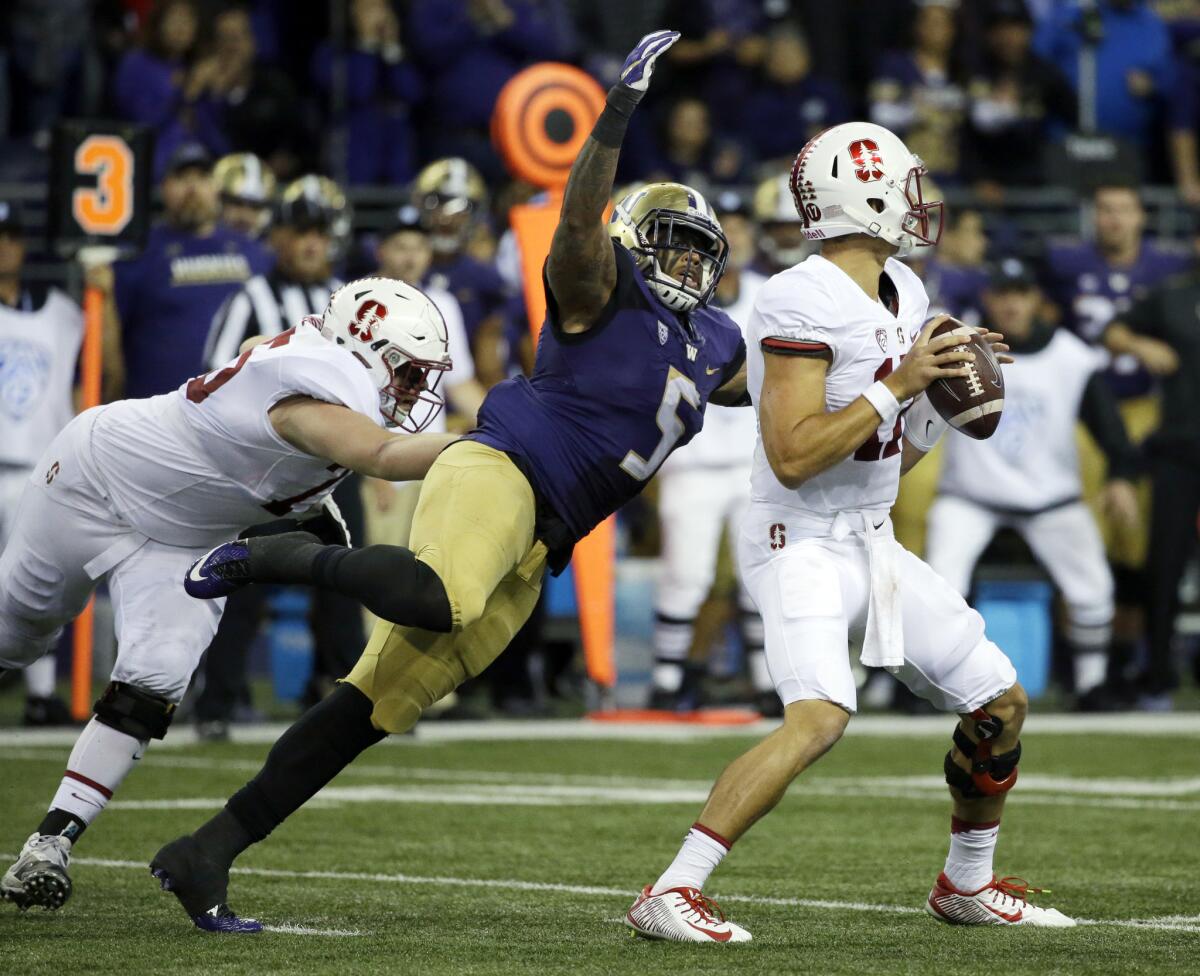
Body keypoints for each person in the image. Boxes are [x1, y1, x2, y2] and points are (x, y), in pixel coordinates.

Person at [150, 30, 749, 933]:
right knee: (440, 597)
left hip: (546, 537)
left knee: (371, 705)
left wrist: (897, 374)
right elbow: (580, 221)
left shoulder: (718, 343)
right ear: (635, 241)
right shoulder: (599, 285)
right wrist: (614, 116)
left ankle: (207, 851)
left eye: (702, 252)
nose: (690, 266)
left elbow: (788, 384)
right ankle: (271, 556)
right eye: (673, 244)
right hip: (502, 468)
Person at [626, 121, 1074, 943]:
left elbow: (884, 459)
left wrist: (934, 409)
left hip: (869, 536)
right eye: (904, 186)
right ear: (863, 197)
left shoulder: (905, 288)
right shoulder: (799, 296)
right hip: (794, 536)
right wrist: (903, 382)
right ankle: (671, 890)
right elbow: (793, 456)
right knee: (820, 718)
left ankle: (964, 885)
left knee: (1000, 703)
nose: (917, 203)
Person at [0, 278, 456, 916]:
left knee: (155, 679)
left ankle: (50, 843)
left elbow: (268, 381)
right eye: (406, 372)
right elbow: (381, 453)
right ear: (362, 346)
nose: (413, 390)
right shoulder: (316, 390)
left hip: (187, 535)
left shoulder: (314, 369)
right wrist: (498, 451)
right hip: (94, 480)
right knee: (14, 637)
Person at [925, 257, 1140, 709]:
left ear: (1035, 300)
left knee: (1093, 587)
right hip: (971, 495)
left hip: (1051, 498)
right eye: (1003, 295)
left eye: (1020, 294)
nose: (1011, 304)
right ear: (988, 299)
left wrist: (1121, 476)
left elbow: (1110, 428)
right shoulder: (958, 346)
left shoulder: (1072, 357)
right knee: (940, 582)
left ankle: (1090, 684)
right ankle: (936, 684)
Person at [193, 182, 359, 738]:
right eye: (300, 232)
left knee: (347, 580)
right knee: (242, 580)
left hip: (334, 465)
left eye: (319, 233)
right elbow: (217, 381)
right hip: (263, 467)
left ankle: (348, 697)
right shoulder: (248, 299)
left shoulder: (350, 300)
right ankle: (218, 701)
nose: (311, 244)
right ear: (279, 237)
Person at [647, 197, 770, 713]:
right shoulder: (671, 296)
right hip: (691, 460)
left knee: (759, 574)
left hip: (752, 461)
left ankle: (768, 684)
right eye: (725, 232)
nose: (734, 241)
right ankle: (667, 683)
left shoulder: (771, 295)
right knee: (686, 575)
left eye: (741, 229)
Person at [99, 142, 272, 402]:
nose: (192, 189)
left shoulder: (255, 254)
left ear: (215, 186)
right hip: (158, 415)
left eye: (202, 178)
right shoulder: (138, 253)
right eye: (181, 178)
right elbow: (109, 343)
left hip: (237, 416)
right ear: (164, 187)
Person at [1102, 266, 1200, 704]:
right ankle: (1158, 675)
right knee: (1165, 565)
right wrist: (1141, 345)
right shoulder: (1175, 297)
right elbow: (1112, 332)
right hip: (1180, 447)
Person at [0, 202, 80, 726]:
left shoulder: (64, 313)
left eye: (9, 235)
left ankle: (40, 694)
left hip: (35, 465)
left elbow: (97, 376)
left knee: (37, 579)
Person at [412, 158, 511, 388]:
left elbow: (491, 357)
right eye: (438, 203)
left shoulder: (485, 277)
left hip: (466, 393)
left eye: (461, 208)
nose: (448, 217)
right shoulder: (404, 266)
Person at [213, 152, 277, 240]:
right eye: (237, 203)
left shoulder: (272, 250)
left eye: (255, 207)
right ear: (219, 202)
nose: (245, 216)